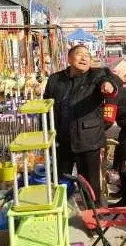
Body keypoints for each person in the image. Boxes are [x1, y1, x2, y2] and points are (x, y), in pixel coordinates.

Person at [43, 44, 121, 206]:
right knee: (59, 182)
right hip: (61, 140)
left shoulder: (97, 75)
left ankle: (93, 214)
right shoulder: (55, 79)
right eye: (79, 54)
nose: (84, 58)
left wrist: (109, 85)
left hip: (88, 140)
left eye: (87, 55)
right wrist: (44, 134)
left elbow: (112, 81)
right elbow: (45, 107)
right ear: (69, 58)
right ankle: (61, 211)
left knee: (90, 185)